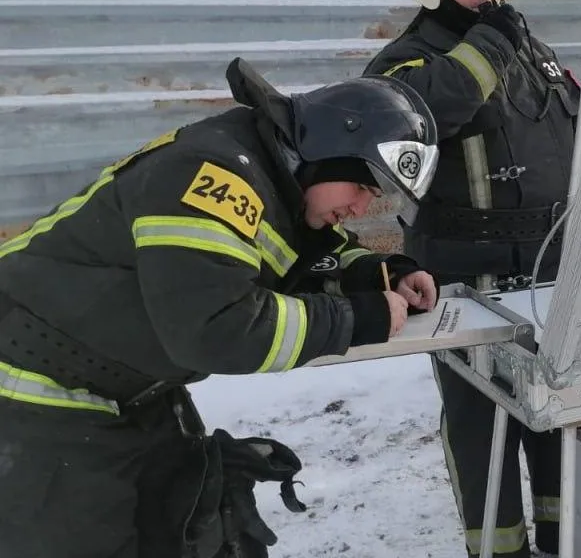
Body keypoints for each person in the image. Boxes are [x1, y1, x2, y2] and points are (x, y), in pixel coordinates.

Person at [0, 57, 442, 558]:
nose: (363, 208)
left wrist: (381, 273)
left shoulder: (273, 179)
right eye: (362, 187)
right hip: (38, 393)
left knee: (183, 531)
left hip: (131, 390)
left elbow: (303, 254)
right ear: (328, 150)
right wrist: (357, 320)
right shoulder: (212, 176)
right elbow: (218, 328)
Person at [363, 0, 577, 558]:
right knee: (482, 425)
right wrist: (490, 42)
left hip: (547, 267)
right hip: (463, 274)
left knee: (552, 413)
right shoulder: (406, 61)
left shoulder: (528, 49)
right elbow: (427, 112)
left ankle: (561, 533)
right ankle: (498, 547)